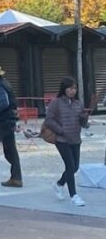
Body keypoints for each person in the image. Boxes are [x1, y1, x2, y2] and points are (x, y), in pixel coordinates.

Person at [45, 76, 89, 207]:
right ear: (64, 89)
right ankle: (73, 195)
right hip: (62, 139)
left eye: (74, 88)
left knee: (75, 167)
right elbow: (49, 120)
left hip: (75, 139)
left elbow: (83, 124)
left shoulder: (78, 103)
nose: (72, 91)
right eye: (70, 88)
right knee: (70, 166)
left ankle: (59, 184)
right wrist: (60, 130)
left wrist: (84, 118)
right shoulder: (56, 103)